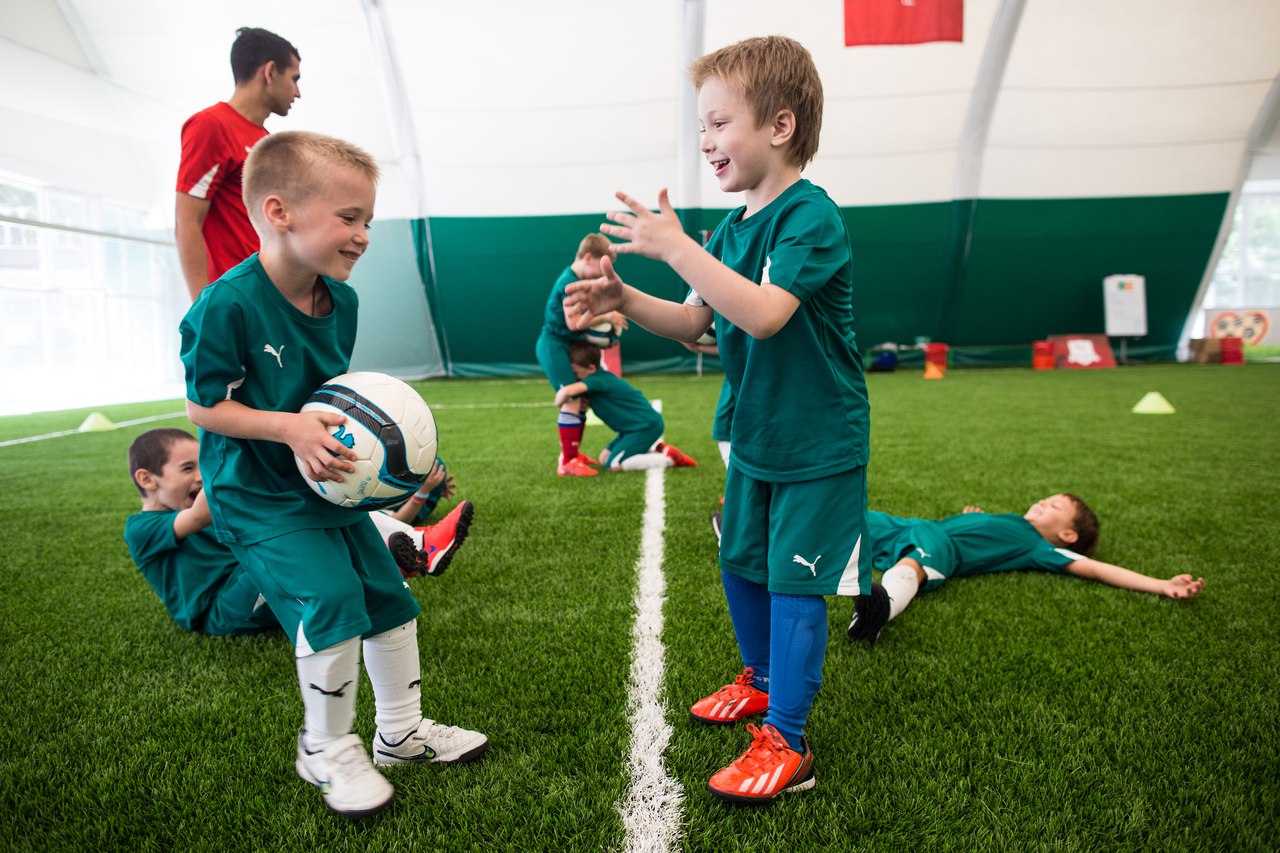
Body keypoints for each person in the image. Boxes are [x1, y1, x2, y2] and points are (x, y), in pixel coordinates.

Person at [563, 36, 870, 805]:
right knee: (740, 558)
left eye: (719, 123)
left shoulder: (812, 216)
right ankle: (762, 679)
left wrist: (674, 250)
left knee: (796, 581)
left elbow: (763, 315)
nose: (706, 141)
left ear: (780, 125)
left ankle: (789, 743)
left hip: (819, 437)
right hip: (757, 430)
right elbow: (701, 322)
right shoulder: (732, 230)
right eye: (701, 126)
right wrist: (625, 299)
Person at [179, 131, 486, 819]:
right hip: (254, 494)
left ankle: (401, 735)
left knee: (388, 596)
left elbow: (330, 399)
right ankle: (324, 746)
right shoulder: (226, 305)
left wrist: (386, 463)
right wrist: (287, 428)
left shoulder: (340, 302)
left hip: (317, 484)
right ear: (280, 211)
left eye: (368, 220)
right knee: (329, 600)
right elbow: (204, 404)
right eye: (349, 218)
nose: (363, 235)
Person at [124, 428, 474, 634]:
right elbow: (201, 515)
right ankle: (415, 546)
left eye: (202, 465)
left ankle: (412, 540)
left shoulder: (188, 505)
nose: (201, 476)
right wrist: (238, 442)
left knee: (308, 517)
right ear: (147, 479)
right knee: (296, 515)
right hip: (222, 609)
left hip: (256, 585)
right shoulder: (141, 530)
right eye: (188, 468)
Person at [844, 494, 1207, 644]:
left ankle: (881, 609)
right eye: (1045, 499)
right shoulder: (1014, 522)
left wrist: (1161, 585)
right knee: (848, 517)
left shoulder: (1039, 547)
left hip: (942, 547)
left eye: (1051, 507)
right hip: (913, 527)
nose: (1041, 503)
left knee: (915, 565)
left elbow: (1096, 569)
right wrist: (975, 521)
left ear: (1067, 533)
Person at [176, 27, 301, 301]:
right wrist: (203, 306)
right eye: (294, 79)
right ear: (269, 72)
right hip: (231, 296)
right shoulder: (211, 126)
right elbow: (187, 221)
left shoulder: (266, 141)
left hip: (268, 293)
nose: (298, 92)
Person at [535, 233, 628, 477]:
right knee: (572, 399)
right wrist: (607, 317)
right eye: (599, 267)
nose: (600, 275)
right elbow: (575, 323)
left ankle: (572, 455)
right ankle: (567, 461)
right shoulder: (569, 281)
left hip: (568, 345)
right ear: (588, 257)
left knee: (582, 402)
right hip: (554, 345)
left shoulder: (579, 279)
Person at [552, 341, 698, 471]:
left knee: (614, 465)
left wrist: (558, 401)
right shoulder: (597, 379)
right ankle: (660, 452)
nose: (574, 376)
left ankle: (668, 458)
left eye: (575, 372)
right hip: (631, 429)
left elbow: (567, 391)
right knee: (604, 459)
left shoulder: (597, 380)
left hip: (645, 426)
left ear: (591, 368)